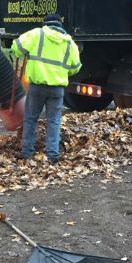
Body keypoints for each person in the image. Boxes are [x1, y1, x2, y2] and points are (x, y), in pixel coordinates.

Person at [11, 14, 81, 163]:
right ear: (60, 25)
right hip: (57, 89)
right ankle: (52, 155)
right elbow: (76, 67)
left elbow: (16, 46)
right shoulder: (69, 43)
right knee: (54, 121)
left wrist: (19, 53)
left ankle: (27, 152)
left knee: (30, 119)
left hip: (37, 87)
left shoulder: (37, 34)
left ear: (46, 24)